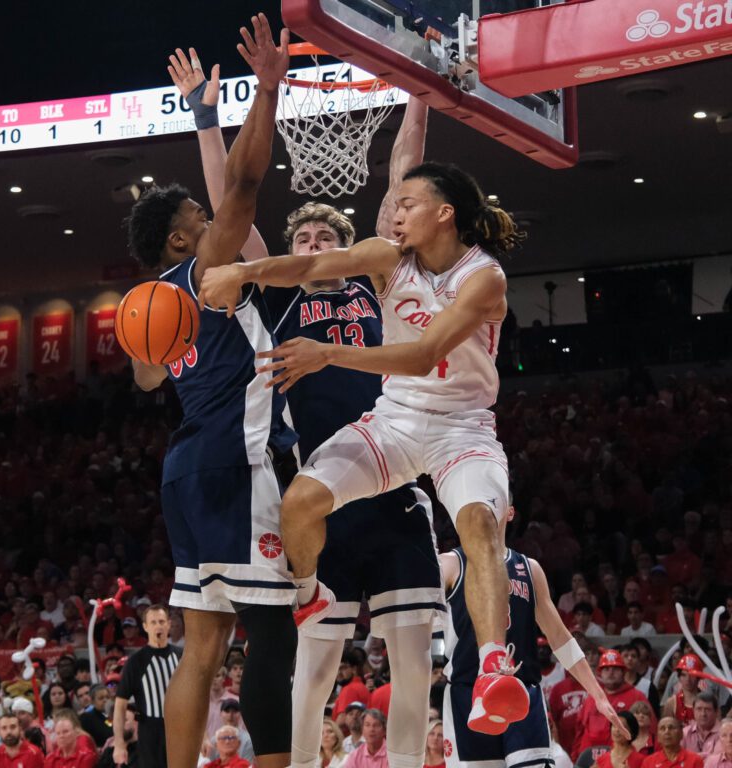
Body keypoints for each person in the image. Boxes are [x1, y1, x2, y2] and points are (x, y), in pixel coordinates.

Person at [169, 46, 440, 768]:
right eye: (304, 240)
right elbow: (233, 204)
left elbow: (403, 178)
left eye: (325, 239)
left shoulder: (375, 280)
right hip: (316, 493)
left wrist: (418, 93)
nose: (313, 244)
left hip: (391, 474)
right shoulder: (282, 294)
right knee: (311, 670)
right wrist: (206, 122)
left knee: (414, 660)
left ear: (349, 249)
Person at [200, 158, 531, 735]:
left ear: (444, 214)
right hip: (396, 420)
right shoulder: (386, 256)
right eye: (396, 205)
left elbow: (423, 355)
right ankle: (307, 592)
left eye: (408, 204)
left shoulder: (485, 277)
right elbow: (312, 262)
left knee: (479, 526)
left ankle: (493, 669)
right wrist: (245, 272)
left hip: (464, 427)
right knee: (301, 502)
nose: (396, 213)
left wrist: (327, 353)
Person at [125, 16, 298, 768]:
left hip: (185, 470)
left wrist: (204, 117)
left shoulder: (152, 302)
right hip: (241, 458)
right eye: (197, 215)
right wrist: (266, 90)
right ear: (178, 238)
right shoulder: (204, 273)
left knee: (204, 645)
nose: (210, 211)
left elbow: (146, 374)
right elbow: (248, 185)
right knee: (273, 629)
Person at [440, 503, 627, 768]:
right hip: (468, 691)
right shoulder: (450, 564)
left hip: (522, 689)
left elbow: (558, 636)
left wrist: (596, 693)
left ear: (510, 511)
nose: (486, 508)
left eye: (493, 500)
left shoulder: (529, 568)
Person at [113, 604, 181, 768]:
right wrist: (119, 742)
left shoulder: (181, 656)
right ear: (145, 627)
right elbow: (120, 705)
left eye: (161, 621)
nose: (158, 626)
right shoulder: (136, 662)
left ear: (169, 624)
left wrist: (204, 736)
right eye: (153, 622)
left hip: (180, 728)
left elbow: (195, 700)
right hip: (150, 731)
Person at [572, 651, 648, 759]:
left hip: (620, 760)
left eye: (615, 669)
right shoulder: (591, 698)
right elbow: (579, 731)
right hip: (589, 760)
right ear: (600, 673)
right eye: (606, 669)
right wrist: (575, 758)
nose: (611, 673)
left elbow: (647, 733)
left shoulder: (637, 697)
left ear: (623, 672)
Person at [663, 655, 705, 725]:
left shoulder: (709, 702)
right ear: (679, 677)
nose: (688, 679)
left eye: (692, 675)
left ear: (699, 677)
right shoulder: (672, 703)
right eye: (683, 675)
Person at [681, 691, 720, 755]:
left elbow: (718, 761)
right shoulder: (685, 733)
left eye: (707, 709)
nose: (703, 714)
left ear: (716, 712)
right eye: (699, 709)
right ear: (693, 711)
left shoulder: (725, 733)